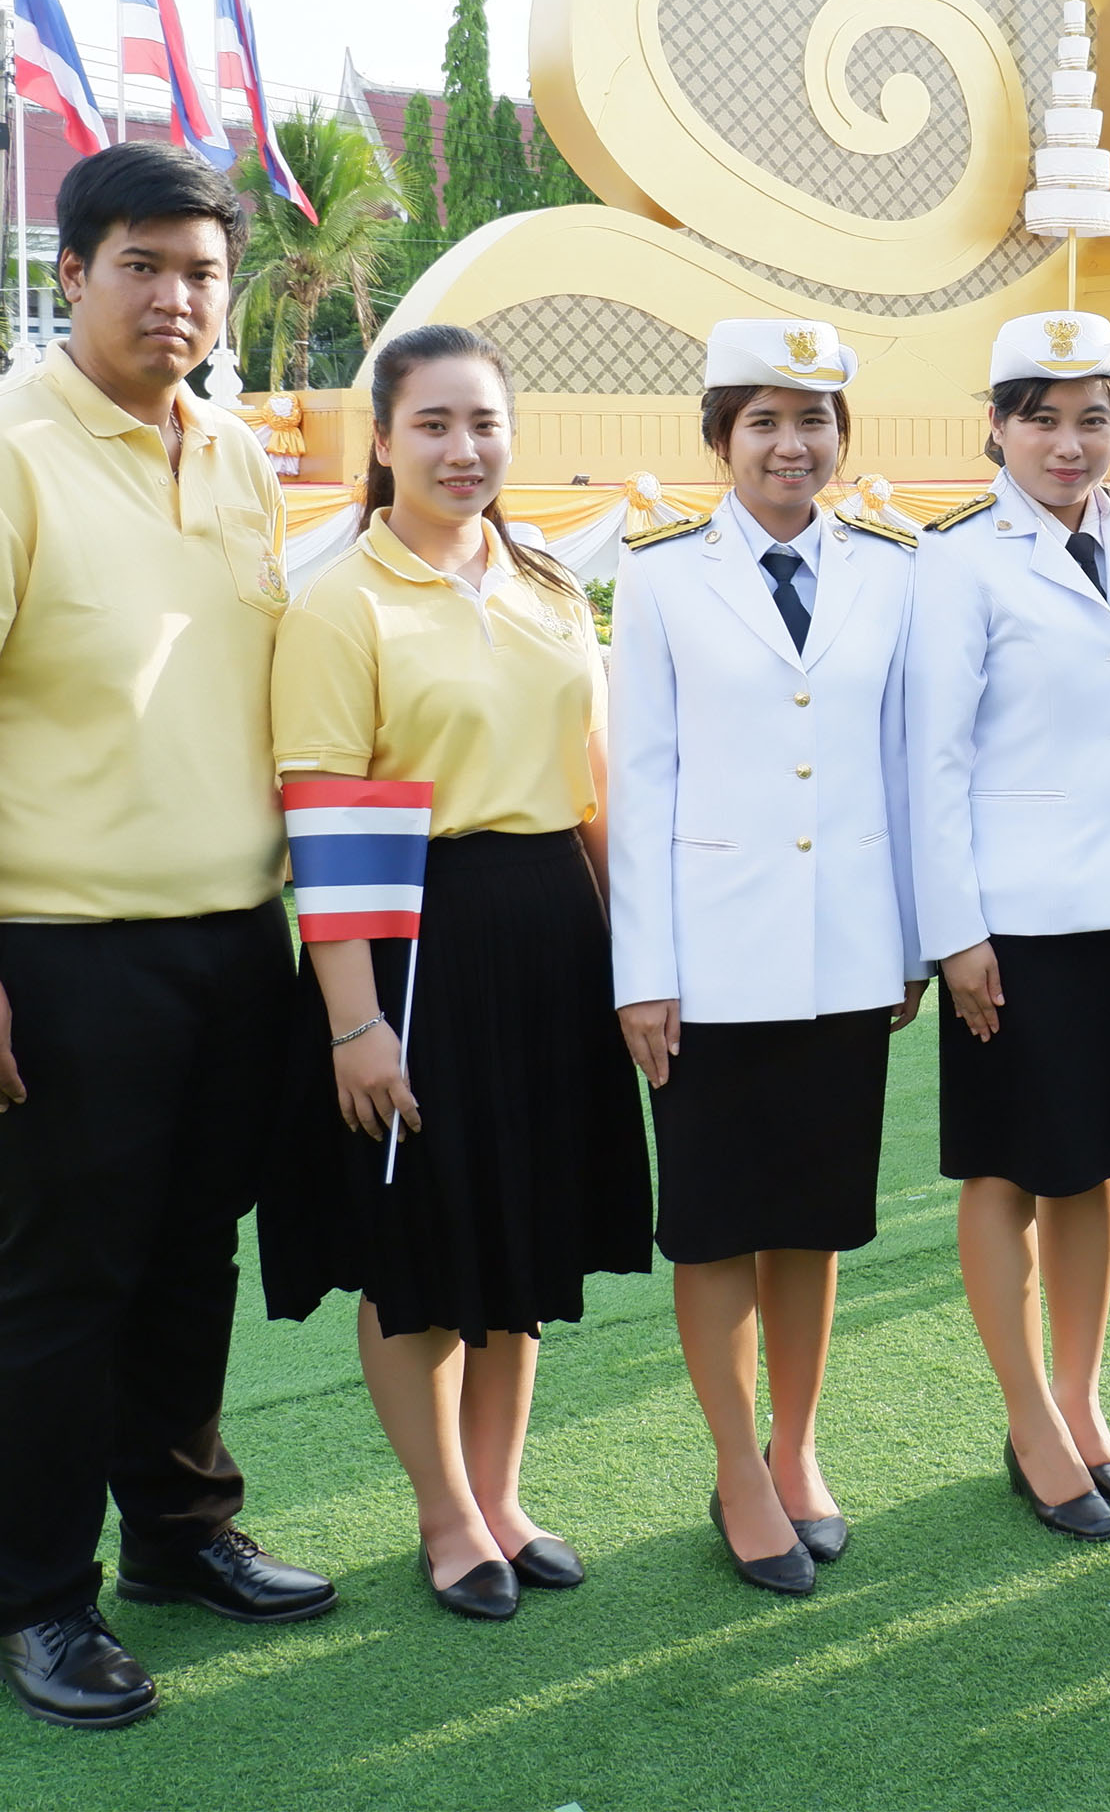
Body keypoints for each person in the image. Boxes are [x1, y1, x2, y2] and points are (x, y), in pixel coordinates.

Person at [0, 142, 332, 1729]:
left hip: (223, 942)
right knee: (62, 1281)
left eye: (202, 270)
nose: (176, 298)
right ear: (70, 274)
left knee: (191, 1260)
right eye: (142, 264)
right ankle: (39, 1608)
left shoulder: (238, 454)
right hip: (42, 955)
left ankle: (180, 1540)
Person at [260, 324, 650, 1622]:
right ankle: (442, 1516)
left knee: (522, 1228)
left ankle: (503, 1494)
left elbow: (594, 791)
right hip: (416, 937)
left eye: (484, 422)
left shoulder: (545, 584)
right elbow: (323, 822)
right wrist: (355, 1024)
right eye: (433, 423)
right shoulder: (340, 602)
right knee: (423, 1247)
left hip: (551, 926)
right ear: (381, 440)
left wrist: (636, 961)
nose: (464, 448)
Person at [608, 319, 925, 1596]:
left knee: (812, 1223)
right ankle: (737, 1467)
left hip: (847, 957)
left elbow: (904, 767)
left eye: (814, 419)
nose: (792, 445)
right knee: (715, 1229)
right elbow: (638, 779)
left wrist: (906, 940)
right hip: (710, 960)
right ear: (719, 438)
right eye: (763, 421)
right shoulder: (662, 573)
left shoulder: (893, 567)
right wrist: (644, 969)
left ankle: (799, 1450)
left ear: (845, 437)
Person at [910, 310, 1110, 1541]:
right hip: (1010, 921)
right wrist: (955, 933)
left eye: (1093, 418)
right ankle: (1027, 1416)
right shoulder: (954, 557)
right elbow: (931, 761)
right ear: (997, 428)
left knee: (1095, 1162)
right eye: (1042, 418)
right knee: (1006, 1165)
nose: (1069, 444)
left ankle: (1080, 1394)